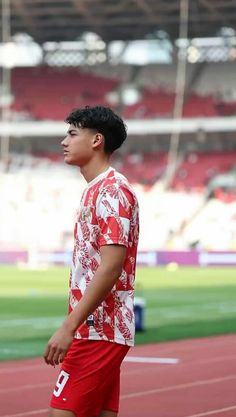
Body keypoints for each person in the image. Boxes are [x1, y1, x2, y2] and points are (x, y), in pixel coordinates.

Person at [44, 105, 139, 417]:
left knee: (61, 413)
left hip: (99, 328)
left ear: (97, 140)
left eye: (72, 133)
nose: (64, 141)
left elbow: (111, 265)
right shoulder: (94, 190)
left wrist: (69, 327)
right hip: (100, 328)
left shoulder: (111, 191)